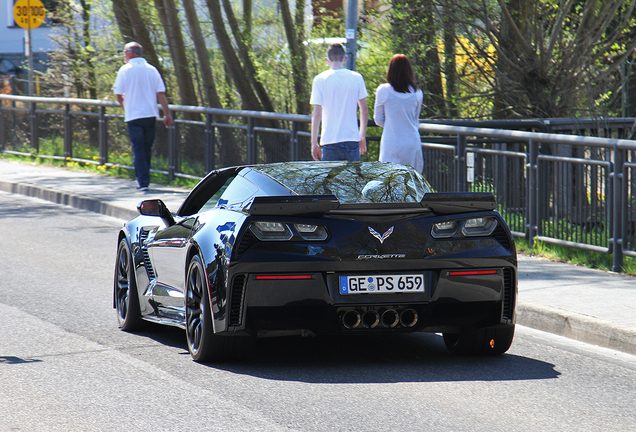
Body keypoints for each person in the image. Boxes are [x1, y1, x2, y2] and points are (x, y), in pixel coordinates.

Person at [114, 42, 173, 191]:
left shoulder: (125, 70)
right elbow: (161, 94)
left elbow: (118, 94)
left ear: (131, 53)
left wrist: (126, 107)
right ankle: (145, 179)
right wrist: (167, 114)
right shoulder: (151, 69)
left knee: (138, 148)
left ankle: (143, 181)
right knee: (147, 148)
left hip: (134, 116)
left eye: (124, 52)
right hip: (150, 114)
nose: (124, 55)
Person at [310, 43, 368, 162]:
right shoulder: (356, 78)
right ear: (345, 58)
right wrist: (361, 135)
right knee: (354, 180)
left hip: (329, 140)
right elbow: (364, 110)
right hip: (351, 139)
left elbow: (316, 114)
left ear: (327, 60)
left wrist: (314, 142)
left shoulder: (319, 79)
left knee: (330, 181)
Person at [374, 54, 424, 172]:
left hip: (392, 143)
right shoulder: (417, 93)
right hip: (412, 142)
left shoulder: (383, 90)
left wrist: (392, 124)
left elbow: (378, 119)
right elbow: (415, 120)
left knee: (390, 181)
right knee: (412, 180)